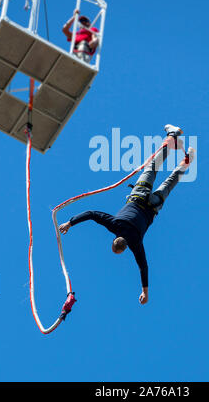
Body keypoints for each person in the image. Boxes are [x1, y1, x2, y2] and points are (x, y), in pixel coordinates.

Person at [59, 124, 195, 305]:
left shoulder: (135, 242)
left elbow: (143, 267)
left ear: (124, 247)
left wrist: (145, 291)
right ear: (115, 240)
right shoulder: (114, 224)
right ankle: (173, 135)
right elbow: (91, 214)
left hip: (152, 207)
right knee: (153, 167)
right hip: (139, 196)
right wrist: (70, 223)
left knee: (171, 181)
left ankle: (188, 160)